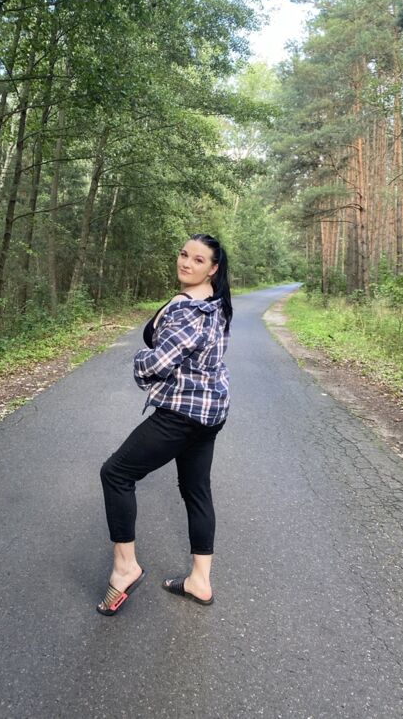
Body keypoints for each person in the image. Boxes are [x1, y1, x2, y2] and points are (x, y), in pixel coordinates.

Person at [97, 234, 232, 615]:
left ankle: (125, 568)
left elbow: (157, 364)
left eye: (198, 260)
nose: (186, 263)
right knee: (196, 490)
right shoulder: (217, 303)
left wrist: (138, 360)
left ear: (213, 268)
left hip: (182, 414)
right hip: (211, 412)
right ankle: (200, 581)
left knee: (116, 473)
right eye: (184, 254)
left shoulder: (187, 310)